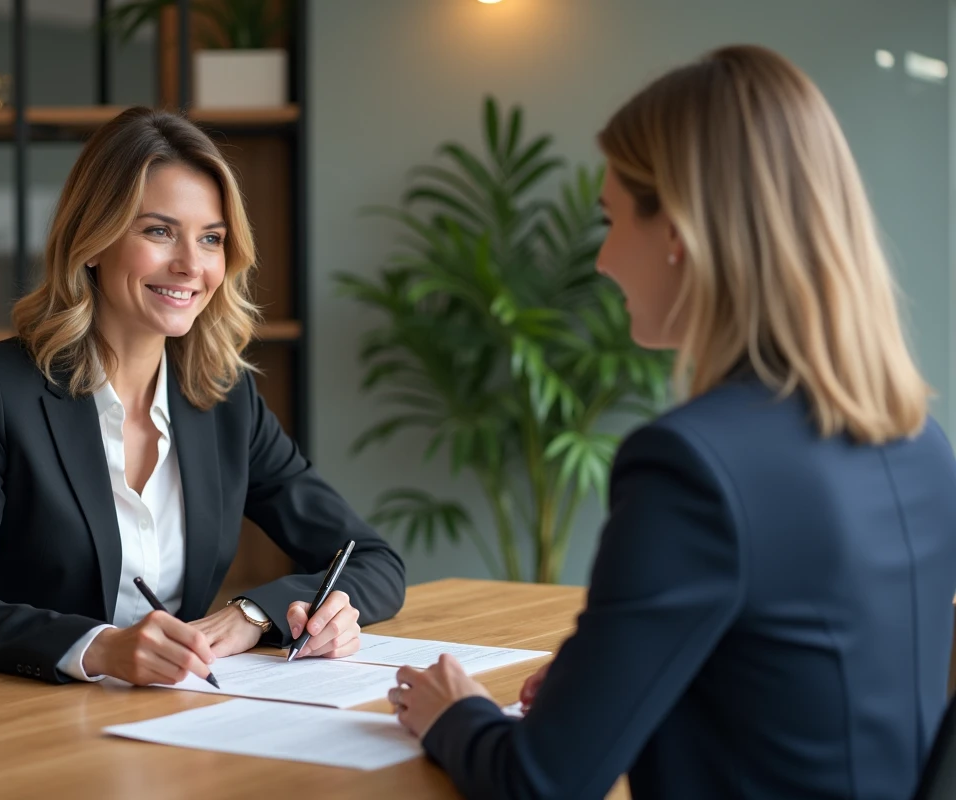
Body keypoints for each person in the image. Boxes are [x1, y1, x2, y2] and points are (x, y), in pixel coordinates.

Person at [388, 44, 956, 799]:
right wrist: (631, 678)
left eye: (611, 218)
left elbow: (542, 781)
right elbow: (813, 686)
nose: (601, 261)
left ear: (678, 234)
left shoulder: (693, 466)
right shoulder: (920, 441)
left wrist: (452, 713)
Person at [0, 107, 406, 687]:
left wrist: (257, 613)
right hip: (23, 716)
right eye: (159, 231)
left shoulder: (224, 400)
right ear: (92, 241)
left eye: (211, 239)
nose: (191, 265)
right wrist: (98, 649)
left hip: (172, 715)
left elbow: (373, 561)